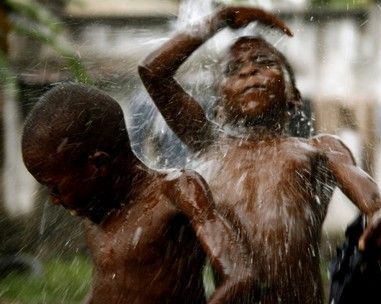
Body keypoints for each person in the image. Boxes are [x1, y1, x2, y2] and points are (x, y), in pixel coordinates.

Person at [138, 6, 381, 304]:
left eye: (264, 61)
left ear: (294, 96)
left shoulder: (318, 150)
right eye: (232, 69)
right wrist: (219, 19)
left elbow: (376, 202)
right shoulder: (209, 145)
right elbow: (153, 73)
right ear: (219, 108)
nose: (248, 70)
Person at [21, 83, 254, 304]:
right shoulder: (95, 216)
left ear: (98, 165)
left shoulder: (176, 191)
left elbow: (239, 278)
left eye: (54, 187)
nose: (53, 200)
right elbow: (106, 291)